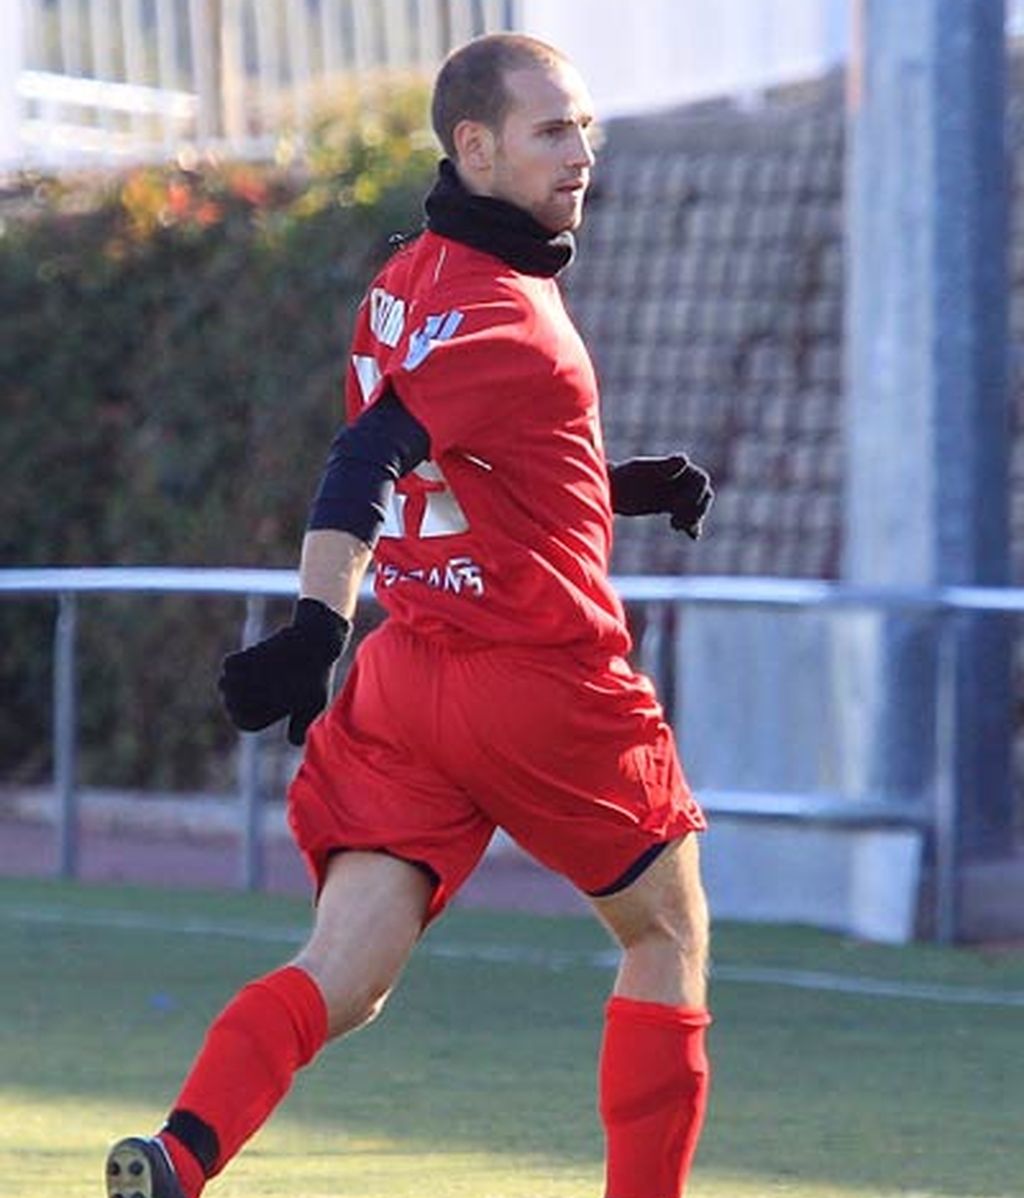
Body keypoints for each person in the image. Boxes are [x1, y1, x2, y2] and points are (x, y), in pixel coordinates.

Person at [105, 32, 714, 1198]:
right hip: (539, 679)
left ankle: (182, 1154)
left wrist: (618, 483)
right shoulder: (509, 311)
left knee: (342, 975)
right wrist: (311, 629)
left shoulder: (404, 282)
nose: (580, 152)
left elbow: (458, 451)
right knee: (665, 937)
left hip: (412, 679)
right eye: (551, 130)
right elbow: (372, 454)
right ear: (472, 146)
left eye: (584, 124)